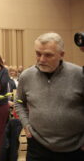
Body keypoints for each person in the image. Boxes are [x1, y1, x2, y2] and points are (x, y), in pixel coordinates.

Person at [14, 32, 84, 161]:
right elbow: (18, 101)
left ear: (61, 55)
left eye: (48, 55)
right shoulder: (26, 76)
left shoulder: (79, 75)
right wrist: (26, 124)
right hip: (37, 146)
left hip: (75, 148)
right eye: (38, 53)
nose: (41, 59)